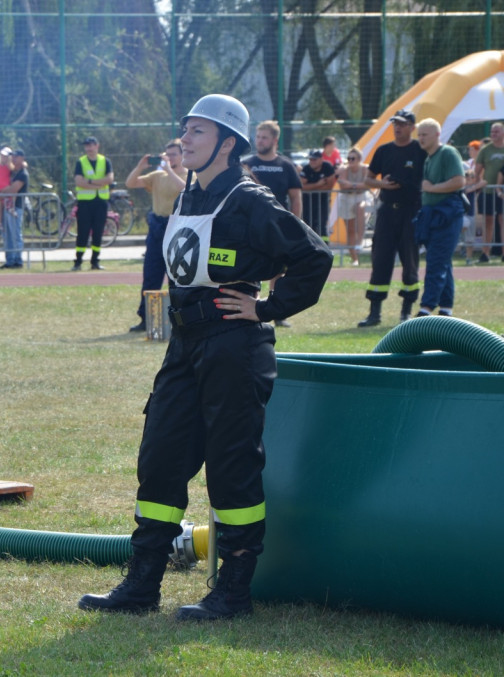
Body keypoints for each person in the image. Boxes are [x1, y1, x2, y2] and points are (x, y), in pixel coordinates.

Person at [77, 94, 331, 621]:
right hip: (185, 345)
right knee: (161, 457)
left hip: (234, 348)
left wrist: (265, 307)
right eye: (186, 130)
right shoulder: (189, 195)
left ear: (227, 142)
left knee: (232, 468)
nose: (185, 140)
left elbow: (314, 257)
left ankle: (233, 592)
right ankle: (143, 584)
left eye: (197, 132)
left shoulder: (251, 200)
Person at [356, 109, 426, 326]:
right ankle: (374, 313)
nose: (397, 127)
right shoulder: (384, 150)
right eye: (395, 123)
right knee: (381, 260)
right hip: (387, 211)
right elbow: (368, 180)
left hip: (411, 211)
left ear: (412, 127)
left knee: (410, 261)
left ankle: (406, 312)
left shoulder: (420, 150)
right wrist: (383, 184)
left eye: (403, 124)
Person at [243, 120, 303, 328]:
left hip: (278, 226)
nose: (259, 141)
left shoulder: (285, 165)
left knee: (278, 269)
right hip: (251, 225)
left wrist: (294, 224)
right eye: (258, 137)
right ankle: (250, 308)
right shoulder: (247, 164)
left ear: (275, 140)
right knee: (250, 265)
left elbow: (295, 197)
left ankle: (277, 311)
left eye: (264, 137)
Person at [124, 139, 186, 331]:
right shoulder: (158, 175)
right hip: (157, 227)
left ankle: (180, 319)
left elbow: (185, 188)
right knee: (151, 275)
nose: (169, 157)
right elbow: (130, 183)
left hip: (177, 228)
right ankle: (146, 319)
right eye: (167, 154)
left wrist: (169, 169)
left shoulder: (189, 174)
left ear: (183, 155)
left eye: (174, 154)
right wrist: (141, 166)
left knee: (178, 278)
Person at [414, 118, 466, 317]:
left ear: (437, 135)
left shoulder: (447, 153)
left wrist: (433, 188)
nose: (420, 138)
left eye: (424, 134)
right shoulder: (429, 157)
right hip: (434, 216)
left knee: (436, 261)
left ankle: (426, 308)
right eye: (419, 135)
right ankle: (446, 308)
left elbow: (460, 181)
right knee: (444, 262)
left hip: (447, 214)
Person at [72, 136, 114, 270]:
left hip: (101, 202)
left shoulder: (105, 161)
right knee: (82, 232)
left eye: (91, 145)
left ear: (97, 146)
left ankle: (95, 261)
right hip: (85, 203)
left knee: (98, 232)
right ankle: (78, 261)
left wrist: (89, 182)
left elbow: (109, 179)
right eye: (87, 146)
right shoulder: (81, 162)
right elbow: (79, 182)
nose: (89, 148)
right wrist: (96, 184)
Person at [474, 122, 504, 263]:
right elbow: (477, 171)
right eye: (492, 131)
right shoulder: (485, 150)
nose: (493, 134)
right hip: (488, 191)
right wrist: (478, 185)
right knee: (488, 222)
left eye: (497, 131)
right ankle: (485, 253)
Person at [335, 147, 373, 266]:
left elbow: (367, 185)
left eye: (353, 158)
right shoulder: (345, 169)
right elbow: (342, 186)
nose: (350, 161)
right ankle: (354, 259)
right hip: (347, 199)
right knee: (350, 231)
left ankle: (360, 241)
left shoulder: (365, 168)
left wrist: (351, 185)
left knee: (360, 208)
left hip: (362, 197)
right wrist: (358, 186)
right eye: (349, 158)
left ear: (359, 159)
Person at [0, 149, 28, 269]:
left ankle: (17, 260)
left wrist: (0, 193)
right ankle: (9, 260)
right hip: (7, 206)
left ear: (22, 158)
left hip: (16, 208)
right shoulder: (13, 172)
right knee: (7, 235)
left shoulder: (22, 174)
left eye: (16, 157)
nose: (13, 159)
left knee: (15, 234)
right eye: (12, 156)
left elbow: (13, 189)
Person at [300, 149, 336, 242]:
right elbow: (301, 186)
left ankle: (324, 247)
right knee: (307, 225)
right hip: (307, 203)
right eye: (310, 159)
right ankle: (309, 247)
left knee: (321, 225)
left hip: (322, 202)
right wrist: (318, 184)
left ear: (321, 159)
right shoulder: (306, 169)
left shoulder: (327, 167)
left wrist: (310, 187)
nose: (312, 162)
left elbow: (329, 186)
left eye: (314, 159)